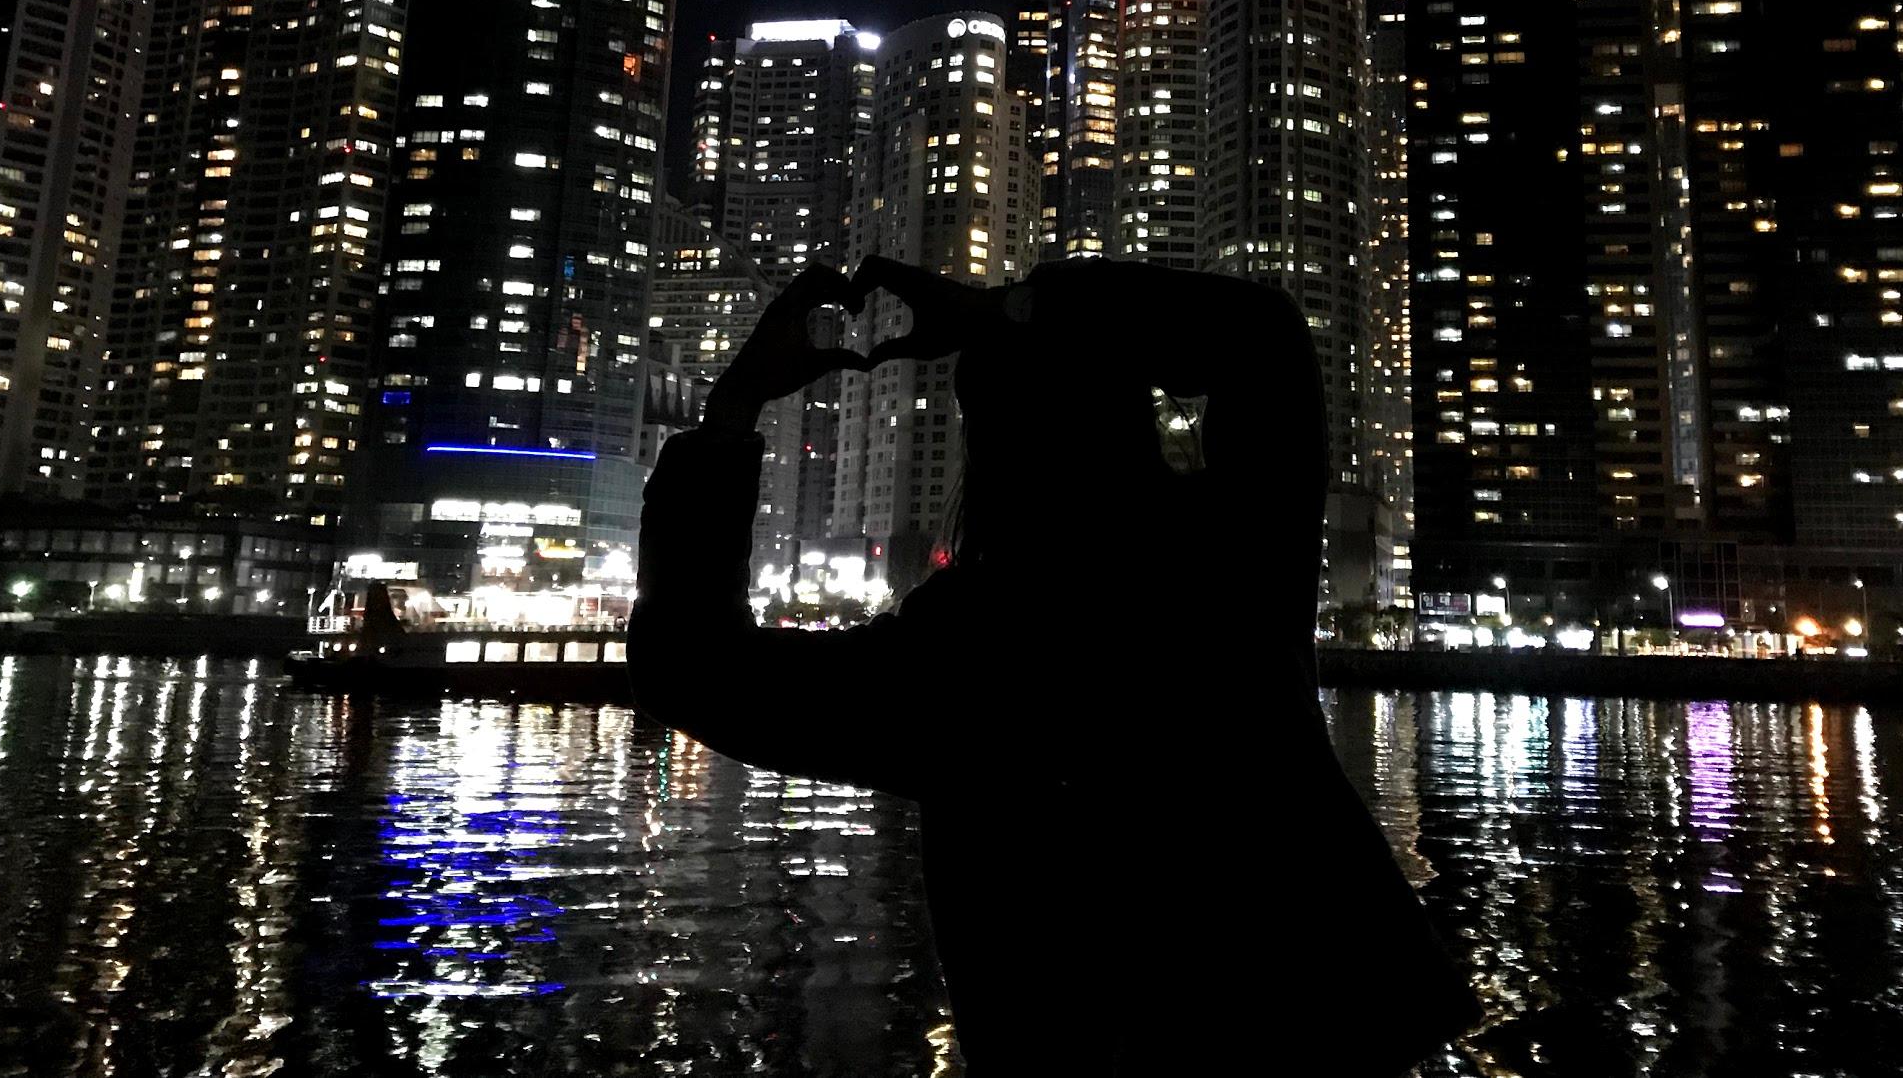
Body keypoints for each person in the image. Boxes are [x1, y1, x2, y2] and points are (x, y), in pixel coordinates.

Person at [629, 255, 1479, 1074]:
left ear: (984, 449)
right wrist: (1009, 307)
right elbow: (1263, 329)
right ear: (1129, 412)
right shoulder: (1230, 558)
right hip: (1328, 1032)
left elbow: (691, 668)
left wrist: (735, 405)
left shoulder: (960, 657)